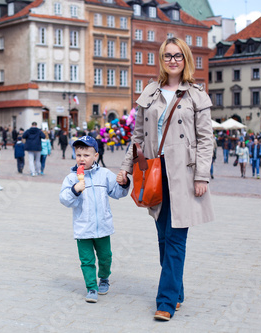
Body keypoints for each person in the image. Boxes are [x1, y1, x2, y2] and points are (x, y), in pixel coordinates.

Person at [118, 37, 214, 321]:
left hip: (184, 173)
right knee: (162, 237)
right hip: (154, 172)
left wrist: (202, 177)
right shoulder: (149, 92)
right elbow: (137, 139)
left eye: (178, 56)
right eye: (168, 56)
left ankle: (166, 301)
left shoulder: (197, 95)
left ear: (186, 59)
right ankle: (178, 290)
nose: (173, 60)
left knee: (175, 238)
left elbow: (207, 140)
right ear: (162, 60)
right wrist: (124, 168)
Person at [59, 136, 130, 303]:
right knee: (87, 260)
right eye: (78, 155)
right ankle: (91, 287)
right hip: (83, 228)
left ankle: (104, 278)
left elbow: (117, 192)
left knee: (106, 257)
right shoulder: (71, 178)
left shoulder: (104, 174)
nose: (82, 159)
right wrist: (74, 190)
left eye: (86, 155)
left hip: (103, 226)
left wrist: (124, 183)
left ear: (96, 156)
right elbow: (64, 200)